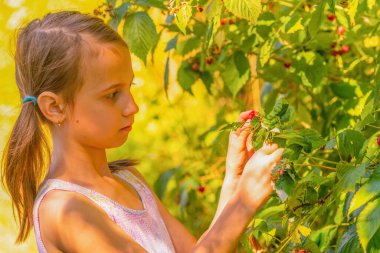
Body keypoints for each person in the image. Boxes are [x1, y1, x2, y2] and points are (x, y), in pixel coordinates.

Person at [1, 11, 284, 253]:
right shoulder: (64, 210)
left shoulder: (129, 180)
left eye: (129, 88)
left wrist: (233, 183)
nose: (132, 107)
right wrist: (243, 204)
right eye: (112, 95)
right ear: (54, 107)